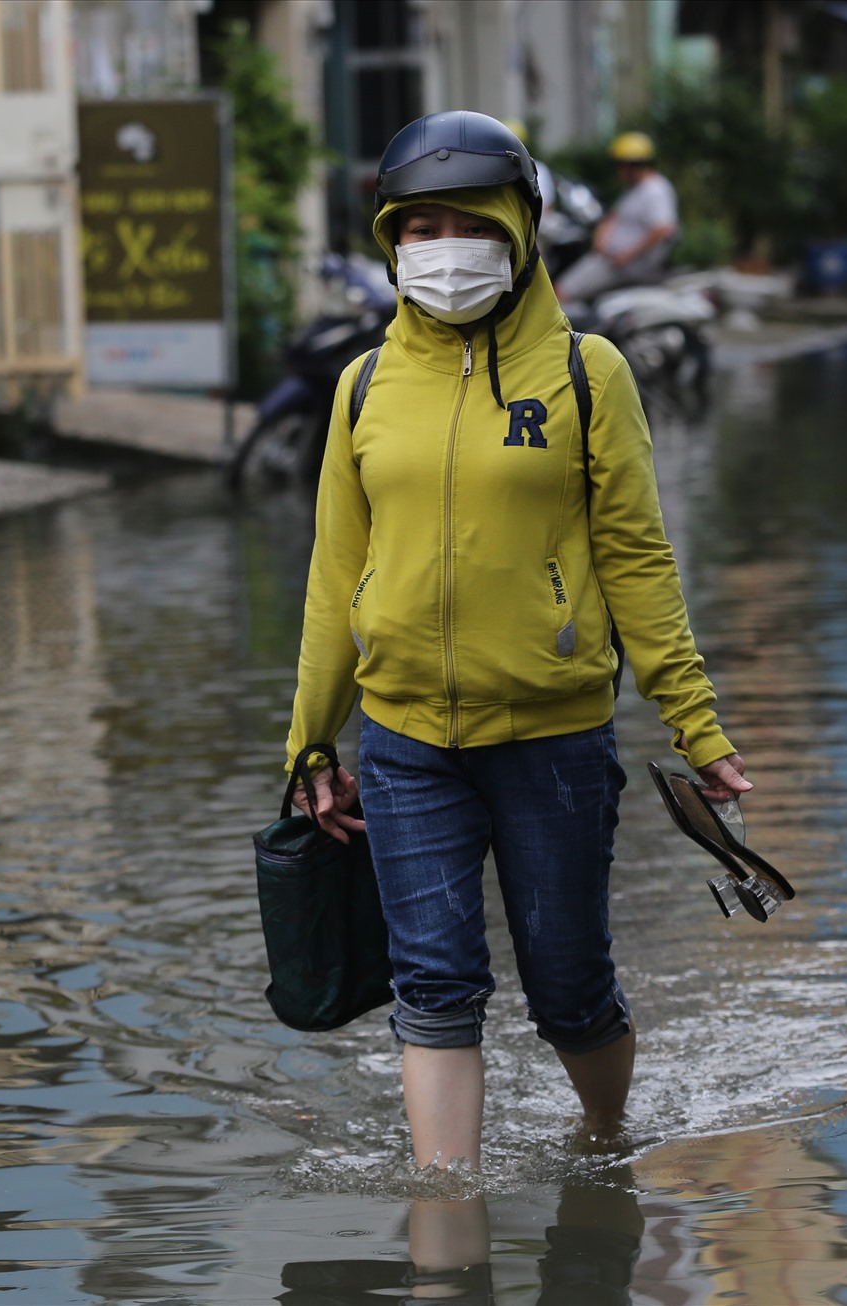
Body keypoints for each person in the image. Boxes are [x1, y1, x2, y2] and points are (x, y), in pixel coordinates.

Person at [285, 111, 749, 1172]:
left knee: (569, 987)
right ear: (388, 241)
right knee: (435, 984)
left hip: (553, 740)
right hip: (406, 745)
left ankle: (606, 1139)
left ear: (518, 229)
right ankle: (444, 1218)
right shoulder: (362, 388)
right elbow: (331, 578)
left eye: (464, 222)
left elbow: (637, 560)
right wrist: (310, 740)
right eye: (414, 227)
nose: (438, 247)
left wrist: (698, 723)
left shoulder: (588, 376)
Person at [554, 131, 678, 305]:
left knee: (560, 292)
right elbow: (613, 216)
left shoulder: (655, 190)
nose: (618, 171)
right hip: (610, 259)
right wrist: (600, 237)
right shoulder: (634, 189)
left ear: (632, 165)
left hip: (621, 266)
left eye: (620, 165)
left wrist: (627, 255)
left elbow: (662, 229)